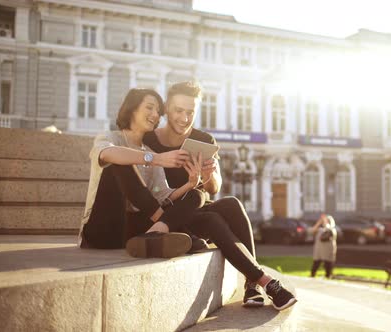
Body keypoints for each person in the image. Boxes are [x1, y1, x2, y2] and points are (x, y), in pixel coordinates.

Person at [143, 81, 297, 311]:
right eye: (179, 111)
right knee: (210, 217)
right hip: (168, 214)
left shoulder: (204, 141)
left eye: (190, 112)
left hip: (196, 207)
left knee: (231, 204)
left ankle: (251, 284)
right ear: (166, 109)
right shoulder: (149, 141)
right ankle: (263, 281)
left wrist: (208, 175)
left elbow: (214, 187)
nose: (185, 118)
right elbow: (148, 190)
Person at [78, 88, 206, 259]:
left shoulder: (150, 151)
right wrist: (155, 159)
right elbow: (106, 154)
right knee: (119, 160)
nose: (155, 115)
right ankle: (175, 231)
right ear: (132, 108)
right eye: (149, 107)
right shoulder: (111, 138)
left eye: (158, 111)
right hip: (101, 230)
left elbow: (162, 195)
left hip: (130, 233)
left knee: (196, 194)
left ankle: (156, 233)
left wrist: (190, 184)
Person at [310, 214, 338, 278]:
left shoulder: (332, 230)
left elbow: (327, 228)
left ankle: (328, 276)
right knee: (316, 263)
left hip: (327, 251)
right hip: (319, 250)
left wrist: (325, 220)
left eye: (327, 221)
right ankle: (312, 275)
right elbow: (312, 230)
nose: (324, 222)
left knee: (328, 264)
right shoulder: (320, 230)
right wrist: (319, 223)